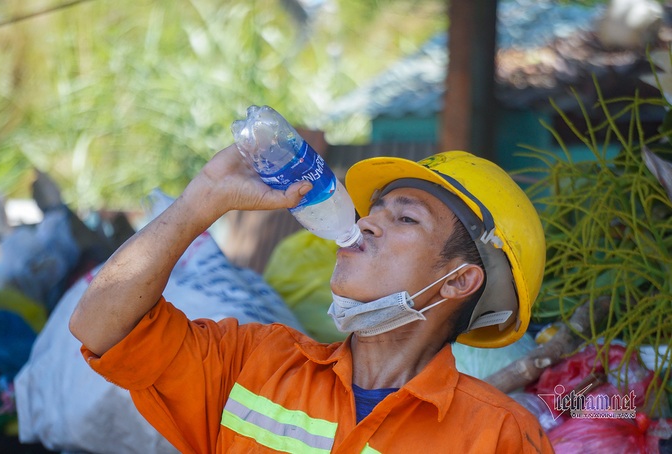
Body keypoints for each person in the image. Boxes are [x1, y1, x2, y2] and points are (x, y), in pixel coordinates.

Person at [70, 143, 554, 453]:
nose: (365, 222)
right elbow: (101, 326)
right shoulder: (254, 363)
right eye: (374, 210)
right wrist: (205, 198)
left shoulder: (500, 437)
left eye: (405, 219)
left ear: (457, 283)